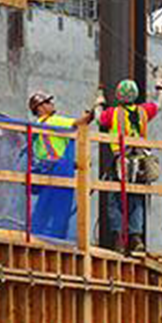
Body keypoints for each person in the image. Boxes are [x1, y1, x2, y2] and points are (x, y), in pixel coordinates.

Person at [97, 71, 162, 253]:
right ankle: (135, 237)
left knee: (115, 200)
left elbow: (98, 118)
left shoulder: (112, 113)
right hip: (141, 161)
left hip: (121, 162)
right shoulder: (144, 111)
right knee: (136, 199)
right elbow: (159, 103)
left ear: (118, 96)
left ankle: (120, 238)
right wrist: (159, 84)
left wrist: (99, 101)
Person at [26, 91, 97, 238]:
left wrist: (76, 164)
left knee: (44, 207)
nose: (51, 104)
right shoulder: (53, 121)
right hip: (58, 172)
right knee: (61, 209)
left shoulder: (38, 126)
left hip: (48, 170)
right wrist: (96, 108)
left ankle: (37, 236)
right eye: (47, 102)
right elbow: (80, 123)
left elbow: (49, 152)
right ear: (39, 108)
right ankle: (56, 238)